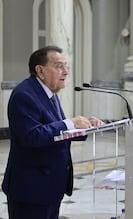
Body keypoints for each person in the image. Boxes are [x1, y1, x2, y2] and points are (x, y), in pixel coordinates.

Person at [1, 45, 104, 219]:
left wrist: (84, 127)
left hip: (50, 186)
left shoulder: (49, 94)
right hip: (31, 190)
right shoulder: (24, 95)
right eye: (59, 66)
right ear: (40, 71)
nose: (65, 72)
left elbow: (55, 132)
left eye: (66, 66)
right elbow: (32, 136)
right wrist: (70, 122)